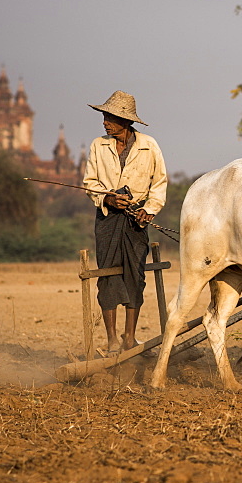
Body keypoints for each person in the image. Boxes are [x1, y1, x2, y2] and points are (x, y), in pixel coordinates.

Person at [83, 90, 167, 353]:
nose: (105, 121)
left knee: (135, 275)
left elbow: (160, 182)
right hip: (108, 220)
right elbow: (90, 183)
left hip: (136, 220)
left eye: (110, 117)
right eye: (105, 116)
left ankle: (129, 338)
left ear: (126, 121)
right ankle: (110, 341)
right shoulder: (99, 145)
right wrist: (107, 199)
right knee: (107, 275)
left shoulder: (149, 145)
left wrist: (149, 210)